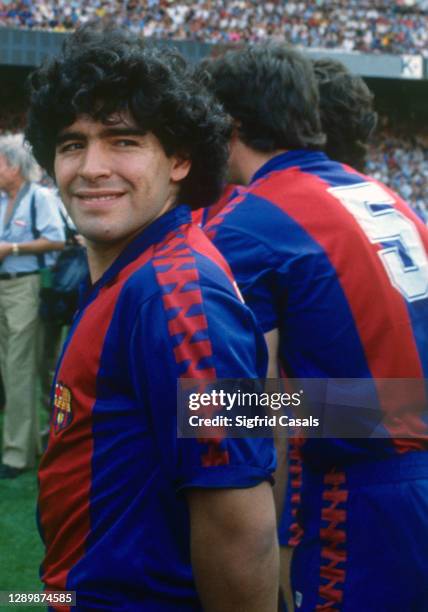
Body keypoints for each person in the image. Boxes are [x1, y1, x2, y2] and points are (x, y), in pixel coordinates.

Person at [25, 27, 278, 610]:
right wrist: (382, 405)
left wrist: (396, 410)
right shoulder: (143, 270)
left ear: (181, 159)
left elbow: (240, 524)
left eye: (123, 141)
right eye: (71, 144)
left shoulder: (169, 292)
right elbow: (194, 405)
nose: (91, 167)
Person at [201, 44, 428, 611]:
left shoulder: (251, 221)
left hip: (370, 492)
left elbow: (251, 413)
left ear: (227, 124)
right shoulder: (381, 192)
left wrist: (186, 410)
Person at [0, 133, 65, 479]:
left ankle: (16, 453)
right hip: (3, 287)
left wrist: (10, 250)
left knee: (20, 366)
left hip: (26, 286)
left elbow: (56, 238)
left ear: (14, 166)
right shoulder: (1, 198)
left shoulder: (39, 196)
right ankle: (29, 443)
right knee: (10, 366)